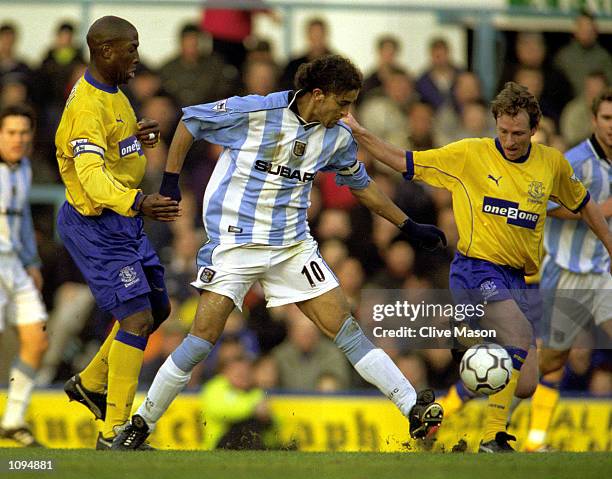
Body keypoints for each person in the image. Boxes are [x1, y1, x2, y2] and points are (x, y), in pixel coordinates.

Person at [112, 54, 446, 450]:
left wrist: (407, 225)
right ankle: (141, 423)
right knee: (201, 339)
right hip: (236, 244)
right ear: (318, 95)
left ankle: (412, 408)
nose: (347, 112)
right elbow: (189, 122)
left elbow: (361, 185)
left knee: (347, 329)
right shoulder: (255, 110)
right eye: (343, 102)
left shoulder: (336, 135)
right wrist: (170, 180)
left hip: (292, 246)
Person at [343, 81, 612, 452]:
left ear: (534, 129)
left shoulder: (551, 164)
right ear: (495, 124)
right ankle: (493, 438)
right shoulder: (470, 154)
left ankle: (445, 400)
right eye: (503, 131)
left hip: (517, 276)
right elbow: (405, 161)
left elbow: (584, 204)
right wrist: (360, 133)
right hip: (475, 269)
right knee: (517, 338)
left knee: (528, 381)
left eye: (518, 133)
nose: (510, 140)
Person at [54, 16, 180, 450]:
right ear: (105, 50)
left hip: (122, 220)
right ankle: (114, 431)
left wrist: (137, 135)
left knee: (158, 309)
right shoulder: (86, 108)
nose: (137, 56)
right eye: (131, 48)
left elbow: (114, 150)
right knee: (137, 318)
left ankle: (91, 382)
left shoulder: (114, 94)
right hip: (96, 224)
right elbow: (90, 177)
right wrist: (140, 202)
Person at [524, 87, 612, 452]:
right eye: (607, 118)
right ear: (594, 120)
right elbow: (543, 206)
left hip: (604, 272)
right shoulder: (574, 161)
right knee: (553, 359)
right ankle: (505, 402)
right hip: (567, 271)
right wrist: (599, 210)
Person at [0, 105, 48, 447]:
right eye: (11, 132)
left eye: (23, 133)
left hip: (15, 264)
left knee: (37, 340)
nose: (18, 139)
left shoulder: (25, 169)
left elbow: (23, 220)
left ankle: (13, 419)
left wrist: (32, 263)